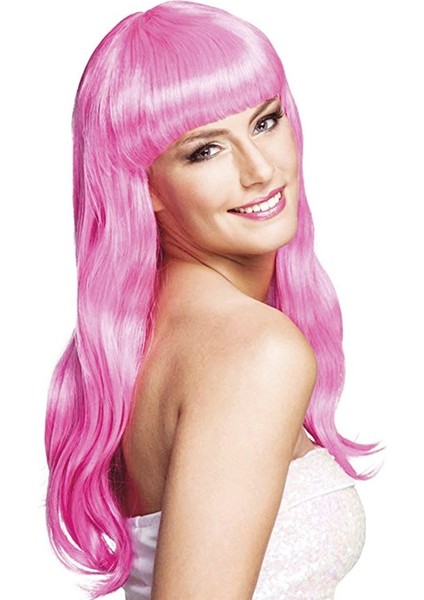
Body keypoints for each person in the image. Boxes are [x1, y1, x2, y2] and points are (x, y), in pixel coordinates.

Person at [45, 2, 379, 598]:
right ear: (143, 183)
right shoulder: (254, 350)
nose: (260, 170)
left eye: (265, 121)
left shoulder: (148, 335)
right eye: (205, 150)